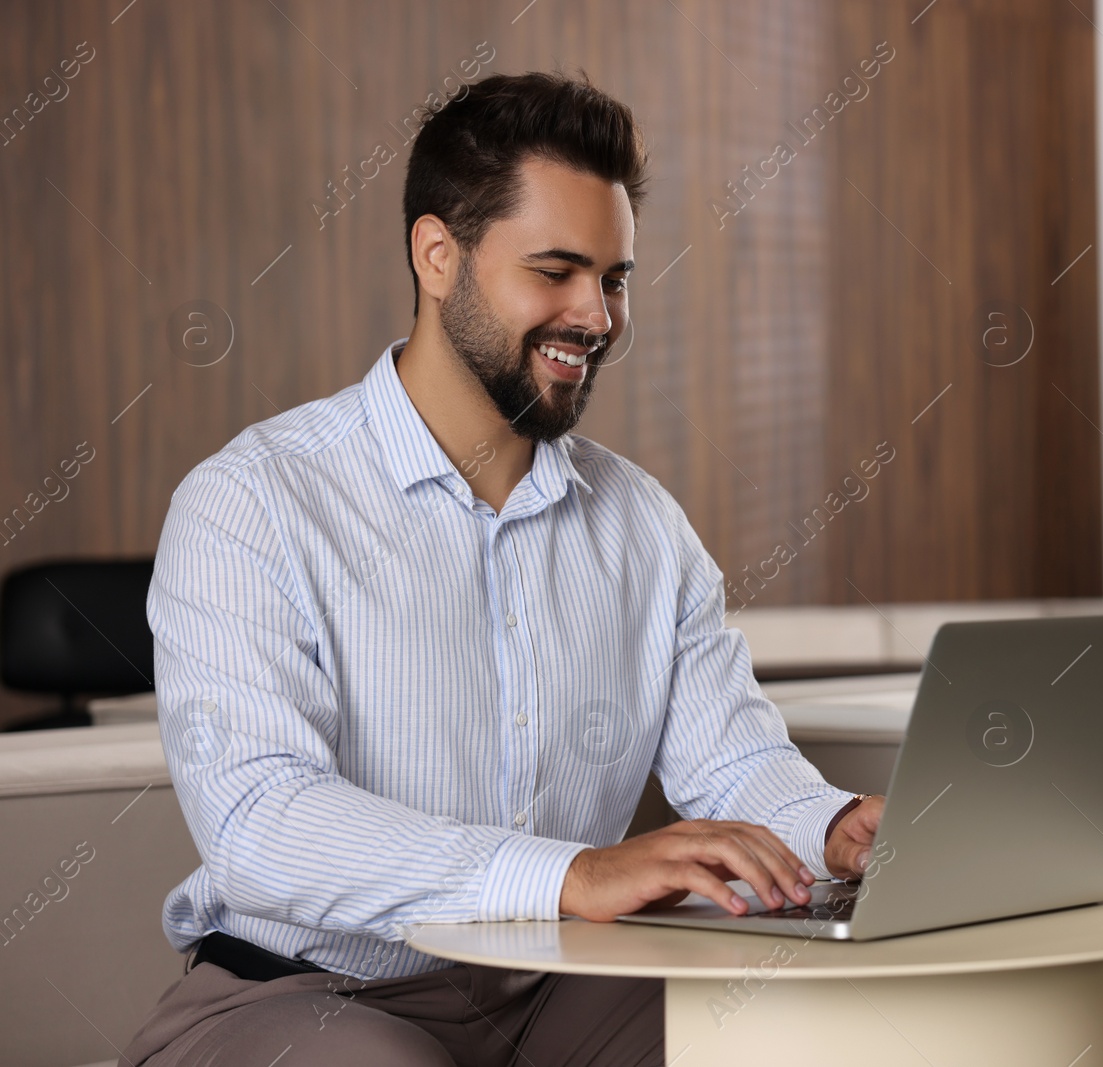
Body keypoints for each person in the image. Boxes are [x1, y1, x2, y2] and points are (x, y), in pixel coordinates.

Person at [121, 70, 885, 1067]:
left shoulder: (643, 527)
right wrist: (570, 873)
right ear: (437, 256)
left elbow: (735, 765)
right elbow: (263, 825)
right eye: (556, 271)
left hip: (559, 989)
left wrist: (834, 825)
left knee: (807, 1030)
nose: (597, 315)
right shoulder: (252, 503)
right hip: (306, 992)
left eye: (612, 278)